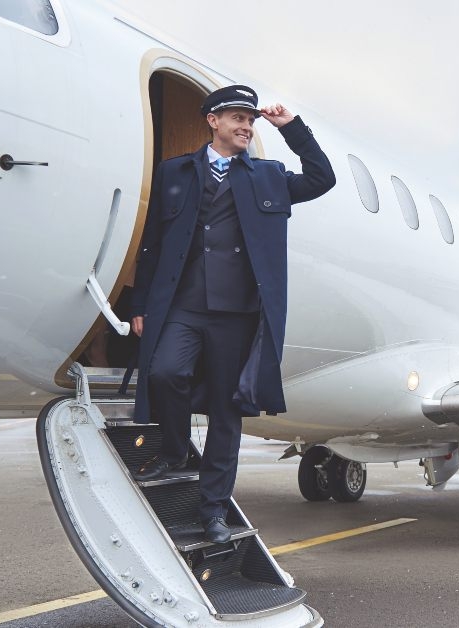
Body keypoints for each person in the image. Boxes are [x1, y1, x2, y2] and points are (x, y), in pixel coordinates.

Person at [129, 85, 335, 544]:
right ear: (213, 121)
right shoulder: (176, 171)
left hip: (237, 314)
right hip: (183, 304)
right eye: (237, 118)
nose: (246, 127)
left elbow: (322, 178)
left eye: (251, 120)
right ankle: (176, 450)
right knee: (164, 373)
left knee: (226, 413)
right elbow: (153, 242)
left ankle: (214, 510)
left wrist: (292, 129)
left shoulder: (268, 175)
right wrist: (139, 304)